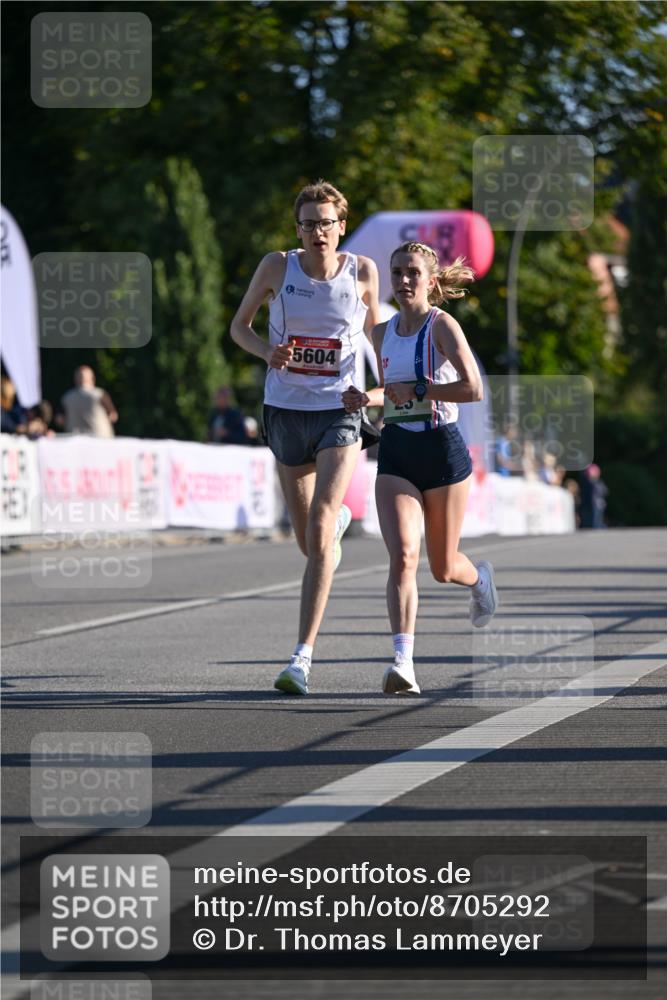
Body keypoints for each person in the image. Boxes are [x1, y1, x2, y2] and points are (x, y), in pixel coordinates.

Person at [230, 179, 381, 695]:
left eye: (327, 222)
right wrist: (264, 352)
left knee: (318, 529)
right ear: (298, 228)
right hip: (285, 409)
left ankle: (301, 658)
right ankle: (332, 524)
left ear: (342, 225)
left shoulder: (363, 272)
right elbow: (239, 328)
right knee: (307, 542)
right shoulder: (277, 266)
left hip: (339, 410)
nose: (319, 232)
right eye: (309, 223)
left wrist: (393, 382)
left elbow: (377, 335)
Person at [343, 241, 498, 695]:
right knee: (404, 556)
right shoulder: (381, 333)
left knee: (443, 567)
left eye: (412, 272)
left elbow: (473, 389)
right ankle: (403, 661)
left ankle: (480, 579)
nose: (404, 280)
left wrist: (423, 390)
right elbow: (391, 390)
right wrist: (364, 398)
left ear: (431, 280)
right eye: (397, 272)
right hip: (397, 453)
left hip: (442, 452)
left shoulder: (442, 326)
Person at [56, 366, 118, 437]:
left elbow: (59, 419)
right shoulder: (100, 394)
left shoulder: (67, 396)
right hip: (100, 437)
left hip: (74, 438)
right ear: (92, 378)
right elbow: (113, 416)